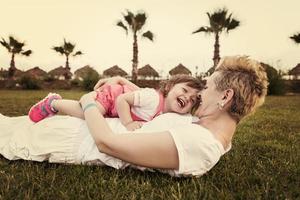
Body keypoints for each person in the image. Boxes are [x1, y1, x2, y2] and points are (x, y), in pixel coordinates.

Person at [0, 56, 268, 177]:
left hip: (73, 140)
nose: (201, 93)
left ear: (225, 97)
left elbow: (107, 144)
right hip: (80, 126)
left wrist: (89, 103)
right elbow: (155, 108)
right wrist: (121, 82)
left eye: (208, 86)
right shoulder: (204, 127)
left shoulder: (200, 143)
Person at [28, 75, 204, 131]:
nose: (188, 98)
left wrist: (123, 80)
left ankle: (54, 103)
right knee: (89, 114)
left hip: (117, 100)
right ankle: (53, 103)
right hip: (113, 97)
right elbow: (122, 99)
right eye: (185, 91)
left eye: (193, 100)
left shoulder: (166, 112)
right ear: (170, 87)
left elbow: (137, 91)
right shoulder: (154, 98)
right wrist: (128, 122)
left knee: (92, 114)